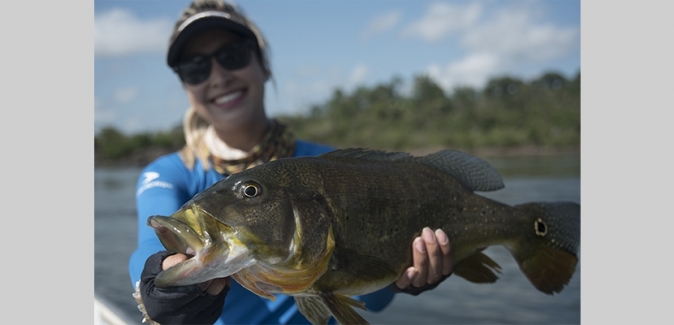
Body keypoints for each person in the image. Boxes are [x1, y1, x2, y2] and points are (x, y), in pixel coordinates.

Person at [128, 1, 453, 324]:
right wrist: (158, 284)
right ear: (186, 87)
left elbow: (373, 301)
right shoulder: (169, 175)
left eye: (233, 56)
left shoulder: (328, 167)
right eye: (195, 68)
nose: (218, 76)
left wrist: (402, 277)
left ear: (263, 63)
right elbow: (147, 250)